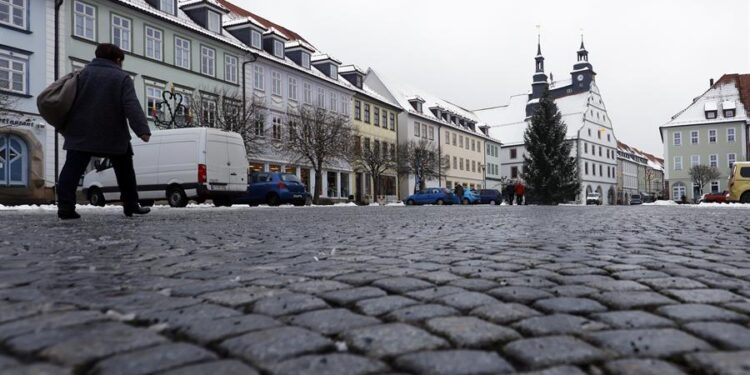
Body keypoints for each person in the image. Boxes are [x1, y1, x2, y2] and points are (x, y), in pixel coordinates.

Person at [56, 43, 151, 220]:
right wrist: (142, 130)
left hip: (80, 131)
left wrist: (64, 125)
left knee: (72, 170)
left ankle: (65, 207)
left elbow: (66, 99)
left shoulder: (80, 74)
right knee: (125, 170)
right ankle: (131, 205)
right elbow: (131, 105)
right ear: (117, 59)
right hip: (113, 133)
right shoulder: (122, 78)